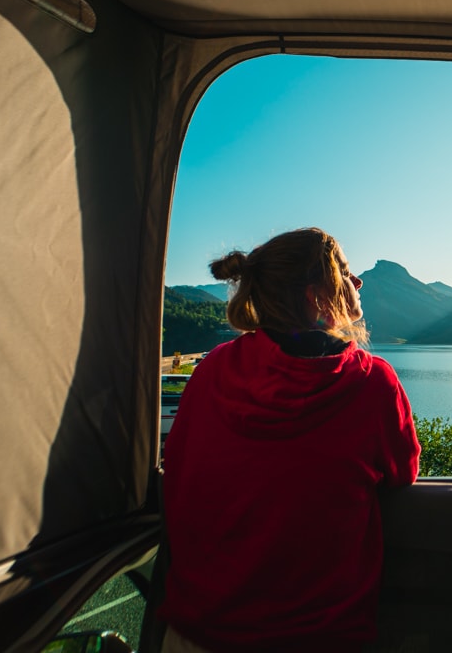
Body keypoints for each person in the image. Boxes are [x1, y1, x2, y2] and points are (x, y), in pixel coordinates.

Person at [158, 228, 421, 653]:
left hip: (195, 630)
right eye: (347, 273)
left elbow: (182, 463)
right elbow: (403, 473)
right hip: (316, 636)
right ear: (317, 295)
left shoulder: (216, 367)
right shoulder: (372, 383)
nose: (357, 283)